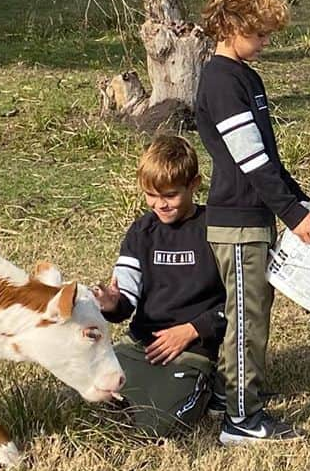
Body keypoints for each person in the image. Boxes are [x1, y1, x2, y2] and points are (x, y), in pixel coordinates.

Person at [196, 0, 310, 445]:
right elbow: (251, 163)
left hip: (256, 219)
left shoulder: (245, 77)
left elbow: (269, 157)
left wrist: (298, 201)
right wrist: (292, 215)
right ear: (229, 24)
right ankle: (242, 417)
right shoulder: (221, 82)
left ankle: (228, 395)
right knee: (246, 318)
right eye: (258, 33)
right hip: (236, 222)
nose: (265, 42)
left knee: (253, 311)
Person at [93, 134, 227, 436]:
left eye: (169, 195)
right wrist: (110, 303)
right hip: (140, 347)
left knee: (160, 426)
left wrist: (191, 330)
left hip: (193, 350)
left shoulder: (216, 228)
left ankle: (212, 385)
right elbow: (124, 301)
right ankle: (140, 394)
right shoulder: (142, 231)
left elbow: (240, 301)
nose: (159, 204)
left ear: (194, 184)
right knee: (79, 401)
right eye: (151, 195)